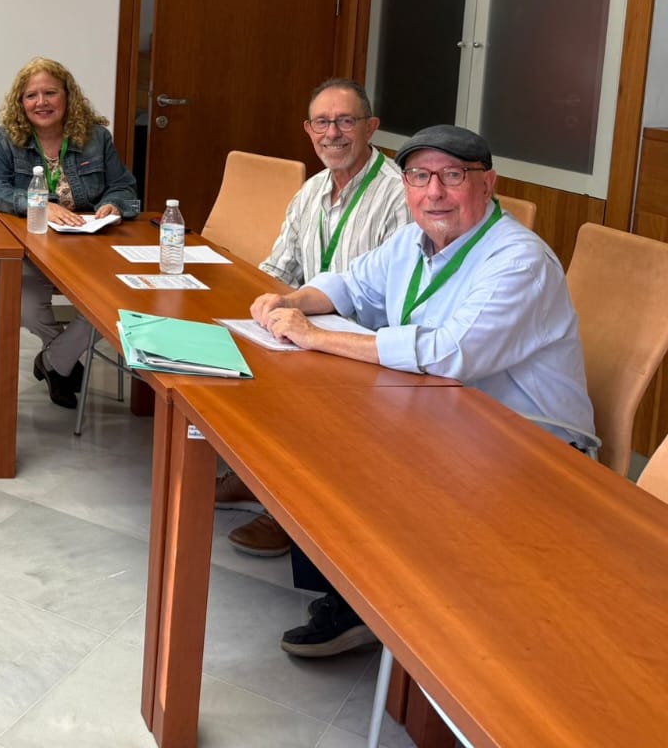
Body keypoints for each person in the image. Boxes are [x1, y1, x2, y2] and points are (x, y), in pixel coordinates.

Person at [251, 124, 595, 658]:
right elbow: (350, 284)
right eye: (419, 176)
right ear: (405, 184)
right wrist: (291, 300)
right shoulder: (415, 239)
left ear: (488, 184)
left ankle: (382, 610)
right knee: (313, 434)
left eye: (452, 176)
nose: (434, 192)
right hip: (447, 416)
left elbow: (450, 353)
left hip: (534, 444)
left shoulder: (518, 259)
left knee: (344, 453)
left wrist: (316, 337)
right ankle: (353, 599)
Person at [218, 79, 410, 559]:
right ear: (308, 130)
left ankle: (285, 510)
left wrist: (310, 321)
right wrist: (258, 304)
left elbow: (393, 297)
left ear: (371, 127)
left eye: (346, 121)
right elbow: (278, 269)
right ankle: (253, 476)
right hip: (309, 326)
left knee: (295, 389)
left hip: (366, 342)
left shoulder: (398, 195)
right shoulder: (311, 191)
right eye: (322, 123)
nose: (334, 134)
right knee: (236, 354)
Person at [0, 57, 140, 409]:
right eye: (31, 95)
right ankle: (62, 360)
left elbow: (125, 188)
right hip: (35, 243)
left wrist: (113, 205)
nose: (41, 102)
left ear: (68, 97)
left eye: (50, 93)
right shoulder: (6, 139)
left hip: (91, 246)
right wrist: (37, 204)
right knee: (24, 306)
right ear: (20, 103)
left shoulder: (96, 137)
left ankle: (54, 362)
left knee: (110, 303)